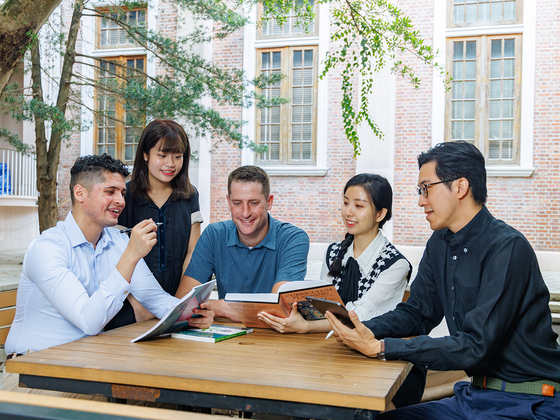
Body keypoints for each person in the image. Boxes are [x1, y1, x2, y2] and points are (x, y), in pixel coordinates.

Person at [325, 141, 560, 419]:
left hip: (529, 400)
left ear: (460, 187)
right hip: (476, 397)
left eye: (426, 188)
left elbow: (475, 345)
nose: (420, 200)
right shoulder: (439, 243)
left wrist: (382, 347)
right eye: (419, 191)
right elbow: (418, 313)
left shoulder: (507, 248)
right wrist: (360, 328)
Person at [5, 154, 213, 358]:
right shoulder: (47, 248)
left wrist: (192, 314)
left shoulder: (118, 241)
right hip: (34, 368)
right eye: (110, 192)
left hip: (90, 363)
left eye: (122, 192)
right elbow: (89, 322)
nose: (120, 201)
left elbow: (155, 299)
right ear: (80, 193)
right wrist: (131, 256)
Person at [258, 173, 412, 333]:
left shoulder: (396, 265)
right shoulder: (333, 252)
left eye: (359, 206)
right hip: (326, 345)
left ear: (380, 214)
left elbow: (359, 316)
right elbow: (320, 306)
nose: (348, 212)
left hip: (371, 348)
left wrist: (306, 327)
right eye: (346, 203)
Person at [176, 165, 310, 322]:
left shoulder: (293, 239)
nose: (245, 213)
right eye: (237, 203)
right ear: (229, 202)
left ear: (269, 202)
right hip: (227, 336)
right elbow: (182, 303)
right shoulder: (214, 235)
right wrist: (223, 309)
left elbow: (279, 308)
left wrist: (219, 307)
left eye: (253, 203)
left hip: (275, 337)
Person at [105, 119, 202, 330]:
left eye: (178, 156)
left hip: (176, 301)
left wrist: (178, 304)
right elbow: (111, 257)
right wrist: (139, 307)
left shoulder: (190, 195)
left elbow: (192, 253)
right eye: (162, 155)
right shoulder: (125, 197)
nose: (171, 163)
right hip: (132, 309)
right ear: (146, 154)